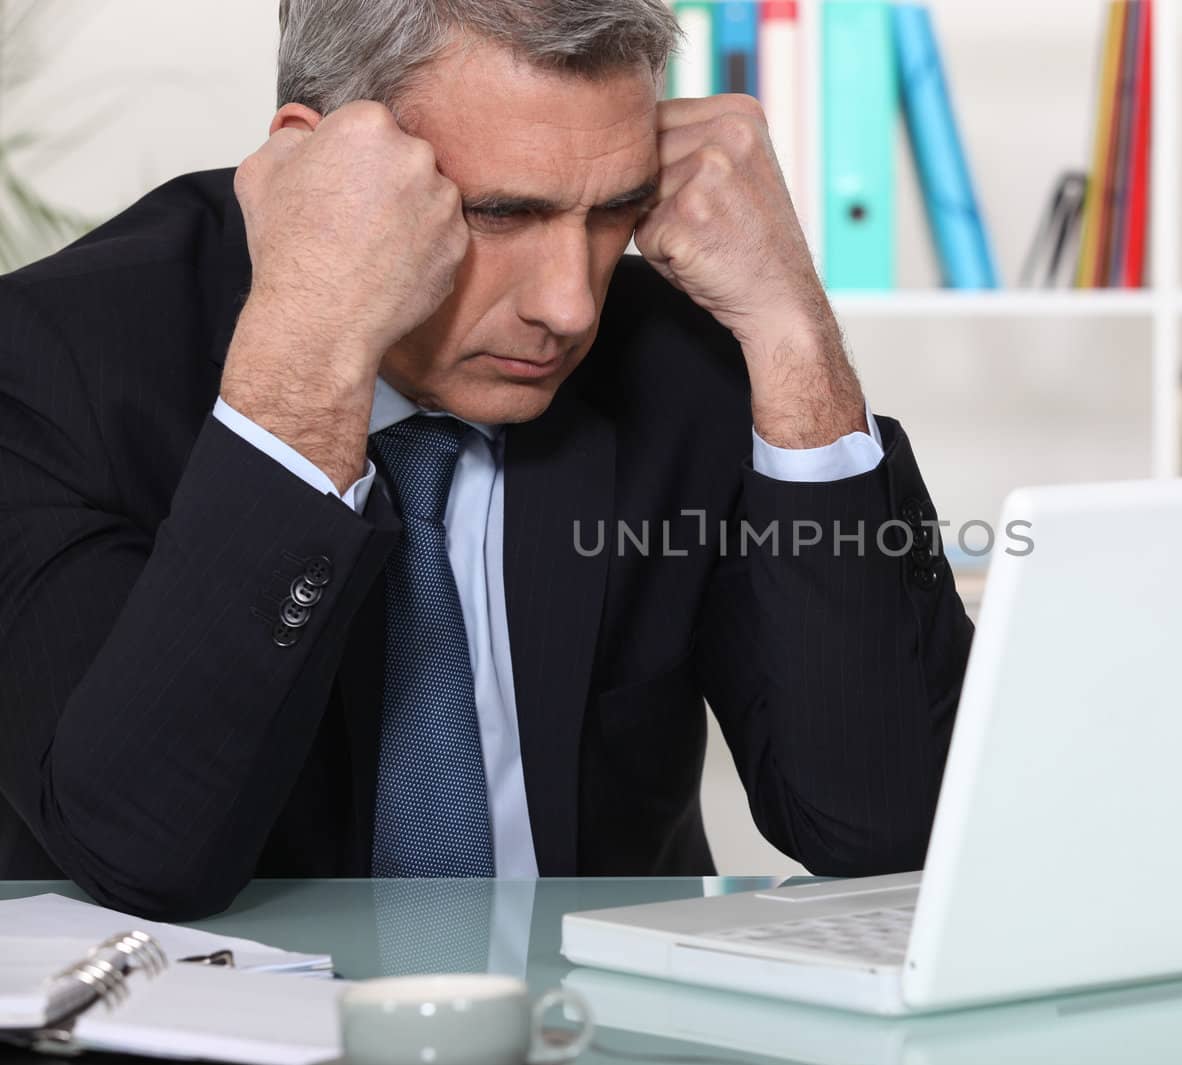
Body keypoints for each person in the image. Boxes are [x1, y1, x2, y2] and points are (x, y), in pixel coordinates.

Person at [0, 0, 972, 920]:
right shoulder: (48, 361)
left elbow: (886, 824)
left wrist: (790, 322)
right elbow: (142, 851)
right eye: (501, 213)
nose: (570, 305)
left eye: (612, 212)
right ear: (311, 158)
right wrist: (311, 353)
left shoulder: (674, 354)